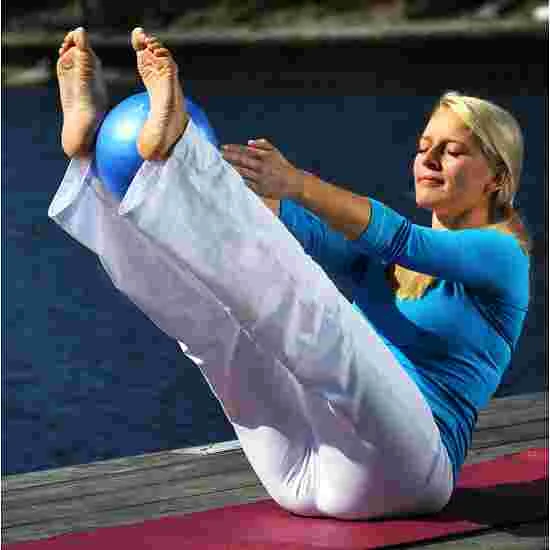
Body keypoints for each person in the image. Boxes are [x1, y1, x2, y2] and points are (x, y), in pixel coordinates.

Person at [50, 27, 530, 521]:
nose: (427, 159)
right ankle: (95, 167)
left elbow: (402, 239)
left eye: (452, 150)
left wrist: (296, 181)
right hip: (306, 471)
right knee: (216, 332)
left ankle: (171, 151)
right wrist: (191, 166)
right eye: (424, 145)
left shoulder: (503, 255)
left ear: (496, 177)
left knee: (320, 319)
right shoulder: (384, 263)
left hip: (408, 475)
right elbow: (290, 226)